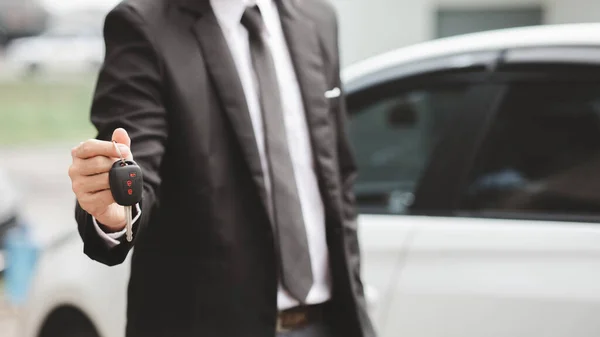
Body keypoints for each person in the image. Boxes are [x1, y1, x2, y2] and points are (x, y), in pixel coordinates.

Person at [68, 0, 375, 336]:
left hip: (327, 323)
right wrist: (118, 208)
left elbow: (339, 178)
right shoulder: (143, 25)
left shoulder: (318, 17)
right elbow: (133, 154)